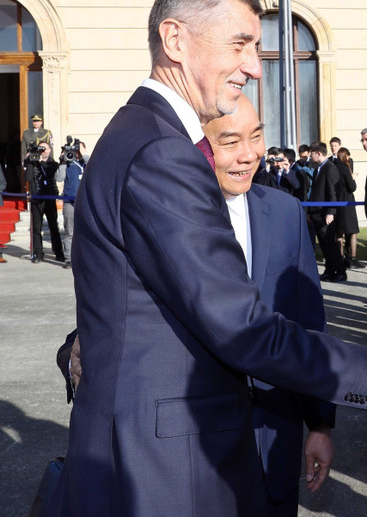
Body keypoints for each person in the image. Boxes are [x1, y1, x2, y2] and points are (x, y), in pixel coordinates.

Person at [49, 0, 367, 517]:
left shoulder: (134, 134)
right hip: (162, 466)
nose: (252, 67)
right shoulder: (163, 152)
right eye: (240, 44)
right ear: (175, 39)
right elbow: (240, 326)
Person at [56, 97, 338, 514]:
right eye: (230, 142)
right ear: (197, 149)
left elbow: (308, 321)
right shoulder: (156, 208)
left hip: (272, 437)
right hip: (193, 452)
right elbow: (117, 307)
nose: (248, 155)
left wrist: (320, 424)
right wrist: (76, 349)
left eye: (257, 136)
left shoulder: (285, 212)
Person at [307, 141, 347, 282]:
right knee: (324, 245)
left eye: (311, 153)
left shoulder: (330, 168)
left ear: (318, 153)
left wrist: (331, 211)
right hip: (317, 213)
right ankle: (330, 270)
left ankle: (340, 272)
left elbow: (333, 191)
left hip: (326, 214)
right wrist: (310, 211)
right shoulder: (319, 168)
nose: (309, 156)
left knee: (330, 245)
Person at [23, 141, 64, 263]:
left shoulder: (53, 164)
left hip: (50, 198)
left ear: (50, 150)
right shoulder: (33, 163)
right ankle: (38, 253)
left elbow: (50, 173)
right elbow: (28, 178)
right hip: (36, 198)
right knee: (36, 227)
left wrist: (40, 162)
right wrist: (30, 162)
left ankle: (58, 252)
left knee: (53, 227)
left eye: (45, 148)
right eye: (41, 148)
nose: (43, 151)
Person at [55, 139, 86, 267]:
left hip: (84, 202)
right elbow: (58, 178)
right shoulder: (66, 164)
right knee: (69, 232)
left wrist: (83, 154)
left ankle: (84, 258)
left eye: (77, 150)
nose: (75, 152)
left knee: (85, 232)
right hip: (69, 202)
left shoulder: (85, 163)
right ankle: (69, 258)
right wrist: (63, 160)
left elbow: (93, 165)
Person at [333, 147, 359, 269]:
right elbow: (352, 187)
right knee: (353, 231)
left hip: (336, 201)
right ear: (346, 156)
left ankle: (339, 257)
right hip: (347, 202)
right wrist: (353, 178)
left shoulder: (332, 166)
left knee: (339, 232)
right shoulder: (345, 167)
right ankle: (352, 259)